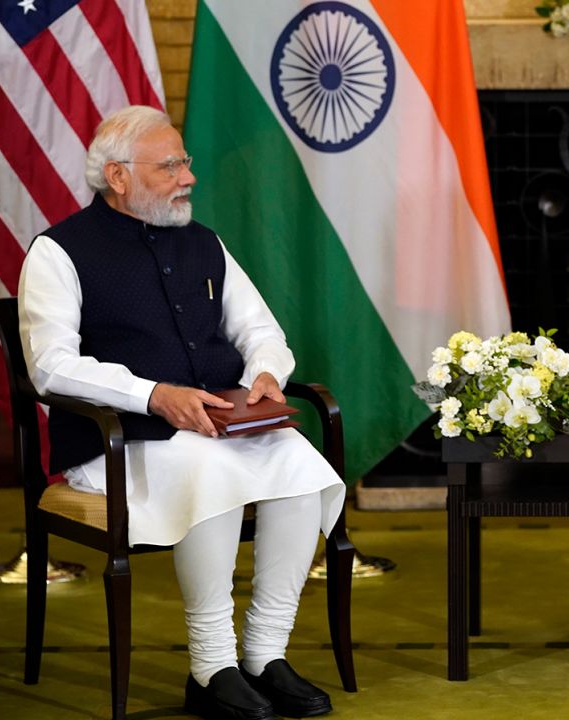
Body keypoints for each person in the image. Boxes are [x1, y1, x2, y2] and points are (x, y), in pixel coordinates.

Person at [17, 106, 346, 720]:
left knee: (301, 468)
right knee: (210, 472)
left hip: (219, 425)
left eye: (185, 161)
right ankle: (211, 666)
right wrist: (155, 395)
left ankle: (265, 655)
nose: (188, 176)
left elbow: (261, 331)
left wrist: (265, 378)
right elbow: (51, 367)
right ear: (118, 176)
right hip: (119, 441)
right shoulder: (57, 252)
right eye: (170, 166)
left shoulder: (204, 242)